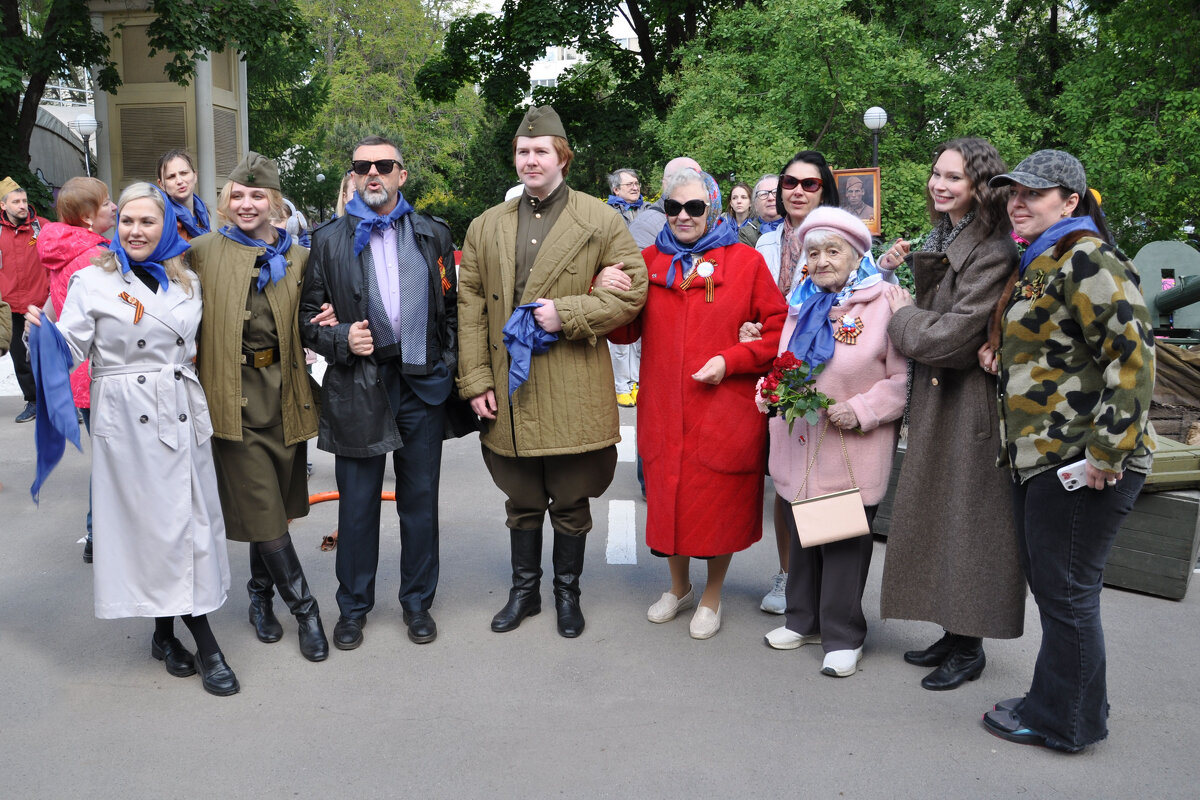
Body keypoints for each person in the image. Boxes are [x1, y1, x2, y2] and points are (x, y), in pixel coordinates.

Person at [26, 183, 237, 696]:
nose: (136, 231)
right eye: (128, 222)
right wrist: (44, 337)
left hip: (181, 412)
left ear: (166, 225)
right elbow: (70, 347)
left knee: (184, 527)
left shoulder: (187, 278)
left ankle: (164, 636)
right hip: (128, 419)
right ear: (115, 226)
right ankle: (207, 643)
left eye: (148, 222)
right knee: (156, 530)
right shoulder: (92, 281)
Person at [977, 150, 1155, 752]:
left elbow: (1132, 361)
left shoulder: (1087, 256)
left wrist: (1105, 457)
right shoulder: (1045, 260)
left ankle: (1066, 723)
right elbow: (1057, 342)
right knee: (1060, 588)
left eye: (1034, 192)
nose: (1017, 201)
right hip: (1048, 456)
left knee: (1068, 591)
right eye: (1012, 191)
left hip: (1081, 460)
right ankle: (1061, 702)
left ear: (1070, 202)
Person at [457, 104, 647, 638]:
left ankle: (567, 594)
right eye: (523, 151)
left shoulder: (599, 219)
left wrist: (566, 313)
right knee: (520, 499)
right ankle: (525, 593)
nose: (531, 159)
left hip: (570, 377)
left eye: (541, 151)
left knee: (569, 498)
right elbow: (469, 304)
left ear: (562, 156)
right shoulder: (485, 224)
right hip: (506, 382)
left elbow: (634, 290)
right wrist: (474, 380)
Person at [300, 135, 461, 650]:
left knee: (419, 501)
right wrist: (339, 338)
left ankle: (417, 604)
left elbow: (452, 311)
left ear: (401, 174)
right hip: (358, 384)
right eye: (362, 166)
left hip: (420, 381)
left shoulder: (432, 234)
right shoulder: (327, 241)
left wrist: (447, 363)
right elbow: (306, 321)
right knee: (358, 504)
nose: (373, 173)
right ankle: (353, 608)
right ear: (353, 175)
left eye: (383, 165)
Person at [611, 168, 786, 639]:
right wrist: (605, 290)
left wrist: (731, 361)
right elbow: (623, 331)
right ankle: (678, 587)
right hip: (665, 406)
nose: (683, 216)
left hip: (721, 406)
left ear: (712, 208)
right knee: (668, 496)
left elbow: (775, 331)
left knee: (718, 501)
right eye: (673, 207)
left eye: (694, 207)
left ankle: (712, 595)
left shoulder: (745, 262)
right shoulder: (648, 260)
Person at [876, 138, 1024, 691]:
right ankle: (953, 633)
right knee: (942, 516)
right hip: (943, 401)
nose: (940, 184)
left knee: (971, 524)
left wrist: (902, 314)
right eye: (936, 173)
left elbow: (953, 338)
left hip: (971, 406)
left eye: (954, 178)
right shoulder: (946, 235)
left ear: (980, 186)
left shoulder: (993, 249)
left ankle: (971, 646)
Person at [190, 152, 329, 662]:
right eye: (238, 195)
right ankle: (306, 610)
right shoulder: (201, 251)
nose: (247, 203)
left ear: (274, 203)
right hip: (231, 398)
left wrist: (328, 318)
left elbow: (315, 313)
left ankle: (258, 597)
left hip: (285, 395)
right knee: (264, 508)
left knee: (268, 508)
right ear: (227, 200)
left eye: (258, 195)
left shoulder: (299, 258)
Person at [761, 206, 906, 676]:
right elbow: (784, 362)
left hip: (849, 447)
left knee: (841, 541)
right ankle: (803, 619)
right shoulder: (801, 300)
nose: (821, 261)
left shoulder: (885, 301)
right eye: (814, 252)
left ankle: (843, 635)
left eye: (833, 251)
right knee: (803, 536)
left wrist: (862, 409)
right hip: (797, 443)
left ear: (857, 254)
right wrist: (767, 392)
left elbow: (906, 379)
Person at [754, 152, 842, 615]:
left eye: (810, 184)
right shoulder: (766, 243)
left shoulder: (843, 241)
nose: (798, 191)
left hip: (827, 372)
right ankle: (789, 575)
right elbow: (754, 305)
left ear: (824, 189)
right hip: (778, 373)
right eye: (790, 181)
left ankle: (826, 584)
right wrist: (750, 326)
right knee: (786, 479)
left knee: (823, 480)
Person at [34, 177, 118, 562]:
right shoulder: (95, 257)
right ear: (87, 217)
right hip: (100, 369)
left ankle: (95, 535)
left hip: (77, 373)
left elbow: (53, 309)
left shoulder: (61, 250)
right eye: (106, 204)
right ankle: (99, 536)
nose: (114, 207)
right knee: (112, 461)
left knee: (105, 458)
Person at [0, 176, 50, 423]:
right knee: (20, 358)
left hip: (42, 304)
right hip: (11, 307)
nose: (22, 205)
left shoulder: (42, 227)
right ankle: (34, 402)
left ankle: (64, 403)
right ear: (3, 206)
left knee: (50, 356)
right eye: (16, 201)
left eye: (24, 200)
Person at [606, 167, 646, 407]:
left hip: (643, 278)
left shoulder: (647, 210)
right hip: (618, 278)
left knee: (640, 336)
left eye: (637, 183)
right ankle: (622, 385)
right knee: (621, 338)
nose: (635, 187)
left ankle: (638, 382)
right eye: (629, 184)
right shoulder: (607, 213)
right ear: (616, 189)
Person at [626, 157, 702, 250]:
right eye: (683, 179)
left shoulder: (704, 216)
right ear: (665, 183)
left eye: (699, 180)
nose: (695, 185)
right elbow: (638, 263)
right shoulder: (645, 225)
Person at [157, 149, 210, 240]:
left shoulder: (203, 215)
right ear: (161, 184)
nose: (179, 181)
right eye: (171, 176)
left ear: (195, 176)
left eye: (184, 173)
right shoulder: (161, 220)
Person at [737, 174, 782, 247]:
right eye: (763, 194)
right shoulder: (746, 234)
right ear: (755, 205)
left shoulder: (800, 226)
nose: (771, 198)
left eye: (776, 192)